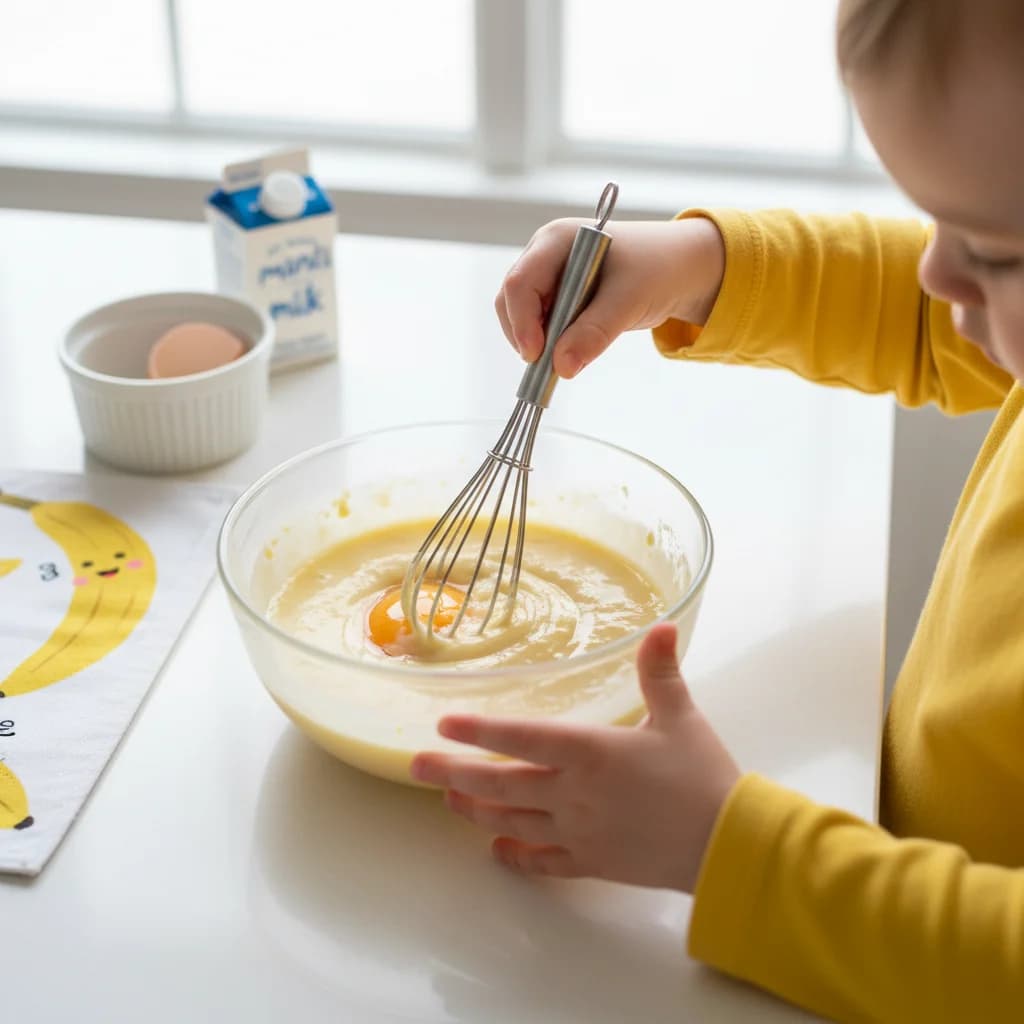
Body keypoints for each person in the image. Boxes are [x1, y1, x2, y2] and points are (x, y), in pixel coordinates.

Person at [410, 0, 1024, 1019]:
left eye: (997, 251)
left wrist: (727, 849)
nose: (935, 269)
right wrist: (695, 267)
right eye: (938, 222)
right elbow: (937, 322)